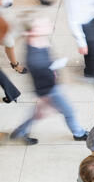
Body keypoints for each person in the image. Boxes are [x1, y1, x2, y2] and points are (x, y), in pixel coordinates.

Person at [10, 17, 89, 145]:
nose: (49, 24)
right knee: (67, 111)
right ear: (32, 32)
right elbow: (40, 80)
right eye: (43, 25)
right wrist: (45, 99)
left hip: (50, 84)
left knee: (38, 114)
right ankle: (78, 134)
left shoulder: (39, 39)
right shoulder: (34, 59)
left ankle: (20, 131)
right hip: (49, 89)